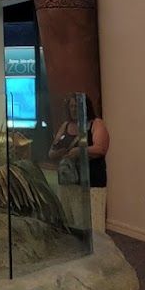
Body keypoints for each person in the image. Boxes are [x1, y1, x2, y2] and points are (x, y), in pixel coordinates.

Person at [49, 94, 109, 235]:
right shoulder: (65, 126)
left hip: (91, 181)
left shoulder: (96, 124)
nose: (74, 109)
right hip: (68, 181)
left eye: (77, 106)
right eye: (71, 106)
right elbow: (51, 152)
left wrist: (79, 151)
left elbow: (101, 148)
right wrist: (60, 152)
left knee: (94, 223)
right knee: (71, 221)